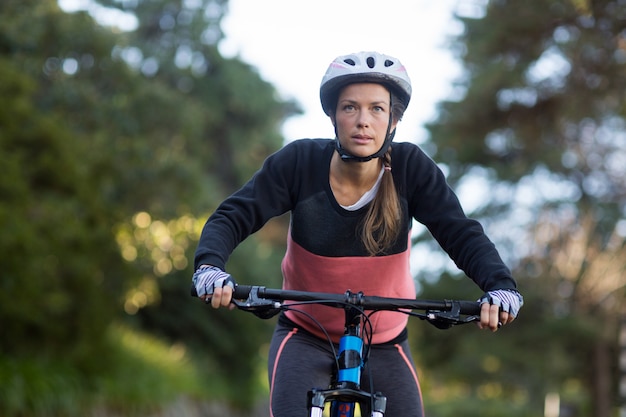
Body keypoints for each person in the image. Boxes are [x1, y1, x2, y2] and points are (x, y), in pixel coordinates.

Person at [192, 51, 523, 417]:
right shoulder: (299, 163)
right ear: (333, 115)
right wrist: (211, 267)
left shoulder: (411, 170)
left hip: (385, 340)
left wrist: (500, 285)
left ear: (394, 120)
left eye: (377, 109)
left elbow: (460, 233)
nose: (363, 121)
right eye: (350, 107)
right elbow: (234, 215)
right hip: (305, 333)